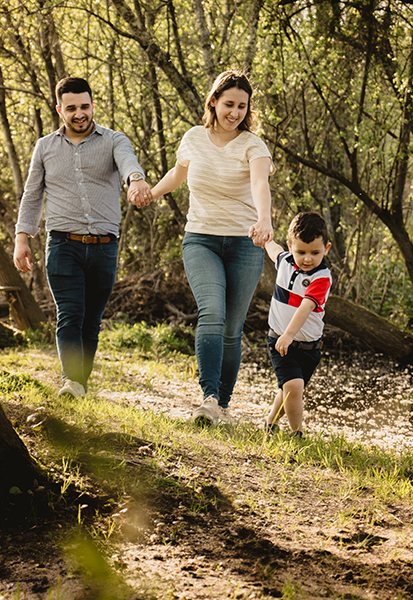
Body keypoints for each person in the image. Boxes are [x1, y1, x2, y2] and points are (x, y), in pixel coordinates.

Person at [137, 70, 274, 425]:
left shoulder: (253, 145)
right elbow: (178, 175)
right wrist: (151, 193)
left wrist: (265, 220)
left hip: (245, 244)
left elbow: (260, 183)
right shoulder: (194, 138)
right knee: (211, 312)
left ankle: (222, 407)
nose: (235, 113)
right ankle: (209, 397)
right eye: (229, 104)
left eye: (242, 106)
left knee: (232, 326)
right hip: (201, 239)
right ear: (213, 101)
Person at [13, 76, 153, 398]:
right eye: (72, 108)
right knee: (70, 314)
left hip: (104, 246)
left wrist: (136, 180)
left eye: (85, 106)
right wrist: (22, 239)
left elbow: (128, 163)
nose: (80, 114)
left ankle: (79, 384)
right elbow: (32, 196)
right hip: (63, 244)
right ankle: (71, 381)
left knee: (91, 322)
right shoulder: (45, 147)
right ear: (60, 109)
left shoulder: (114, 140)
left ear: (93, 106)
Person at [262, 212, 333, 437]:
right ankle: (297, 434)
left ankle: (270, 423)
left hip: (309, 347)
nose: (308, 259)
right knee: (293, 387)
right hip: (280, 341)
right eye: (301, 252)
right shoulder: (285, 261)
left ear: (327, 249)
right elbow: (273, 250)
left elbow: (306, 307)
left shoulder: (322, 278)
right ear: (290, 246)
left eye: (315, 252)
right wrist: (264, 238)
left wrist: (290, 334)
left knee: (290, 391)